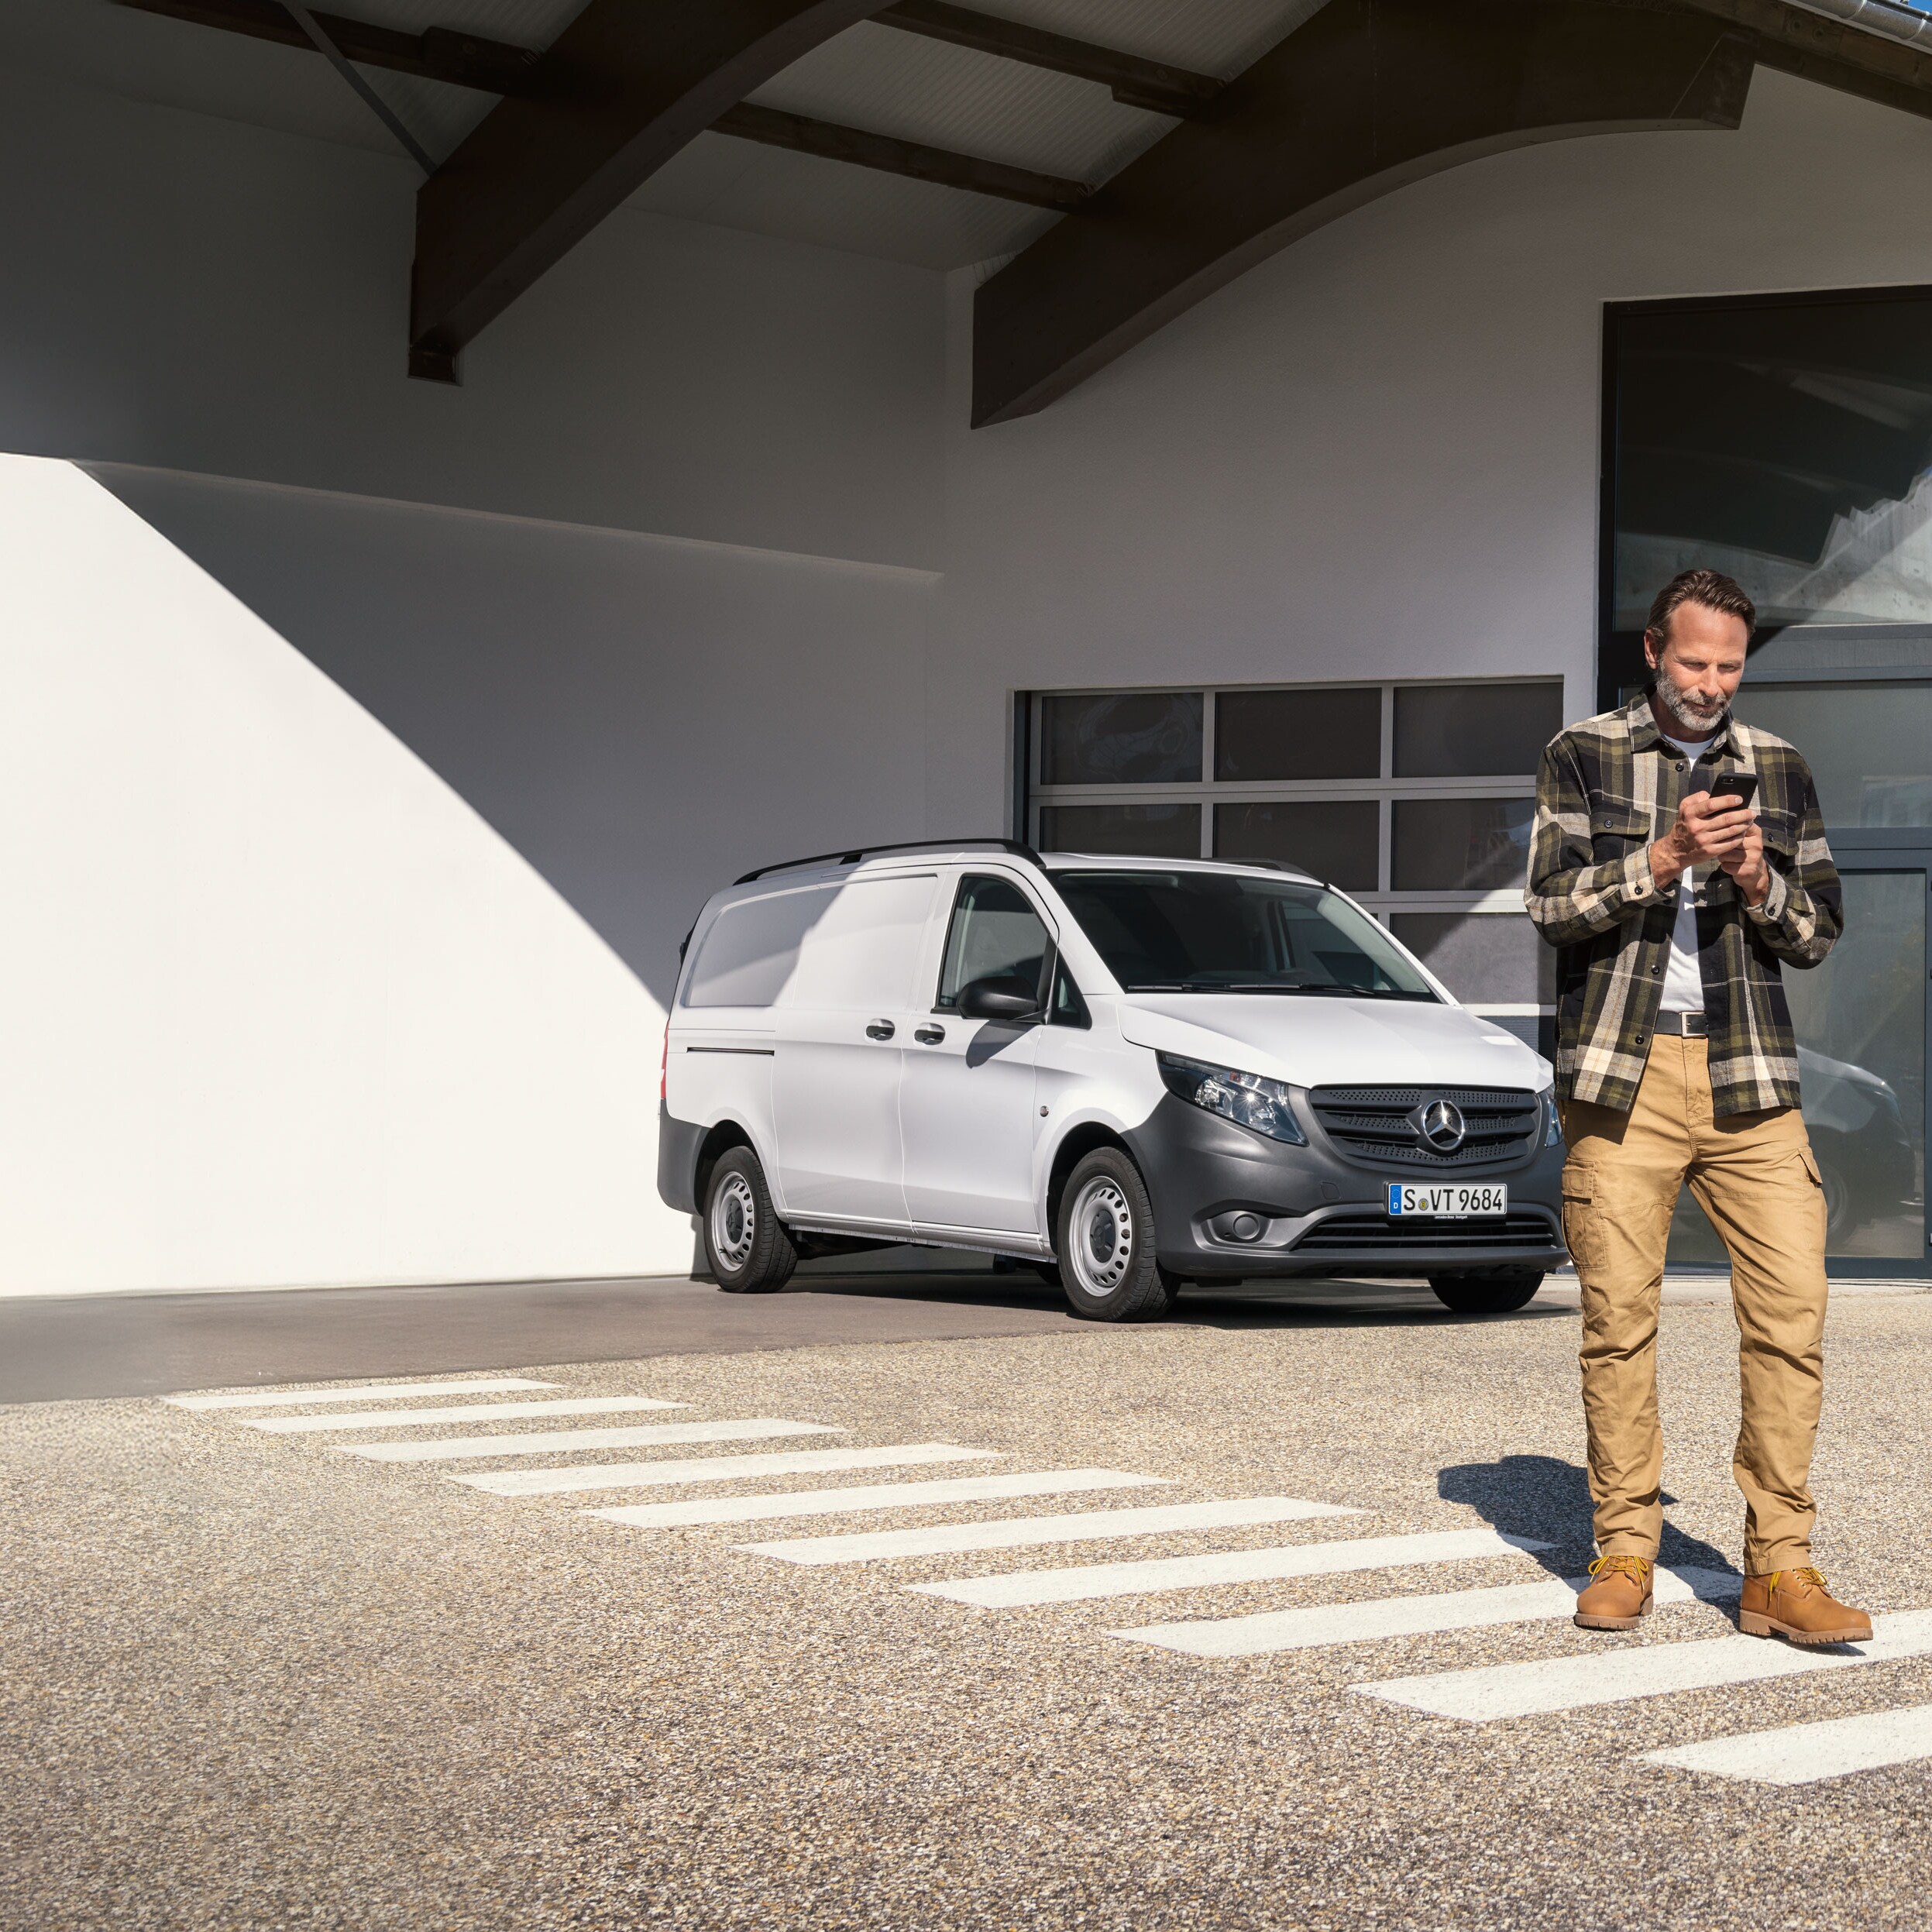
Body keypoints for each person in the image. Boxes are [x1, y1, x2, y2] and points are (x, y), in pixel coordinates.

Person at [1526, 568, 1870, 1645]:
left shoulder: (1776, 767)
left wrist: (1760, 879)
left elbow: (1814, 931)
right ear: (1650, 651)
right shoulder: (1581, 754)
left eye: (1728, 664)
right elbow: (1549, 906)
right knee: (1618, 1323)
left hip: (1747, 1077)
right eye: (1693, 661)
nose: (1711, 682)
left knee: (1788, 1316)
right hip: (1621, 1077)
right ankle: (1624, 1548)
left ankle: (1778, 1569)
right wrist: (1663, 857)